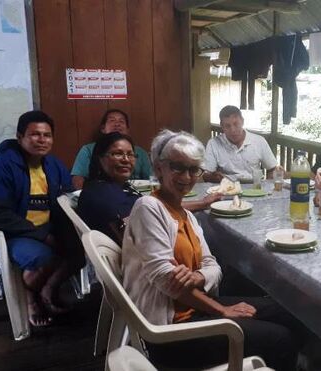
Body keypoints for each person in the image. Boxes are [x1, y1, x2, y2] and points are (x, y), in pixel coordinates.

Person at [122, 130, 299, 370]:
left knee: (287, 311)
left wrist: (198, 276)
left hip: (196, 306)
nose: (187, 176)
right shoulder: (148, 208)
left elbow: (212, 266)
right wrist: (222, 310)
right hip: (171, 331)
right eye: (177, 167)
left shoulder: (187, 216)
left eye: (194, 169)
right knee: (280, 338)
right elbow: (167, 281)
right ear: (159, 167)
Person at [0, 110, 85, 327]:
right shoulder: (0, 167)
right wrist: (43, 235)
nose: (42, 140)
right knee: (44, 257)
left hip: (47, 229)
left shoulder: (53, 165)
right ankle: (31, 299)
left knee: (80, 253)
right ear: (20, 137)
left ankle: (48, 290)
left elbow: (67, 198)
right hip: (8, 235)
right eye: (35, 134)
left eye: (47, 135)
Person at [77, 132, 222, 244]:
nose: (126, 160)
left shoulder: (107, 186)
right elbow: (138, 239)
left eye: (130, 154)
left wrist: (202, 203)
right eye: (117, 154)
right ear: (100, 158)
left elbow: (158, 208)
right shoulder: (107, 197)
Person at [70, 109, 152, 190]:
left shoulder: (141, 152)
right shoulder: (88, 149)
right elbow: (78, 178)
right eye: (112, 120)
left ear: (127, 130)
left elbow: (151, 179)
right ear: (103, 129)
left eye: (121, 121)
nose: (117, 124)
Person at [202, 105, 278, 183]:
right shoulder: (213, 143)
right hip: (226, 189)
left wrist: (269, 185)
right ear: (222, 126)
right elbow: (206, 174)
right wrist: (215, 177)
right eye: (227, 126)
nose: (233, 130)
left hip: (255, 187)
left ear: (242, 121)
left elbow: (272, 169)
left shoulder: (259, 141)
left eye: (236, 124)